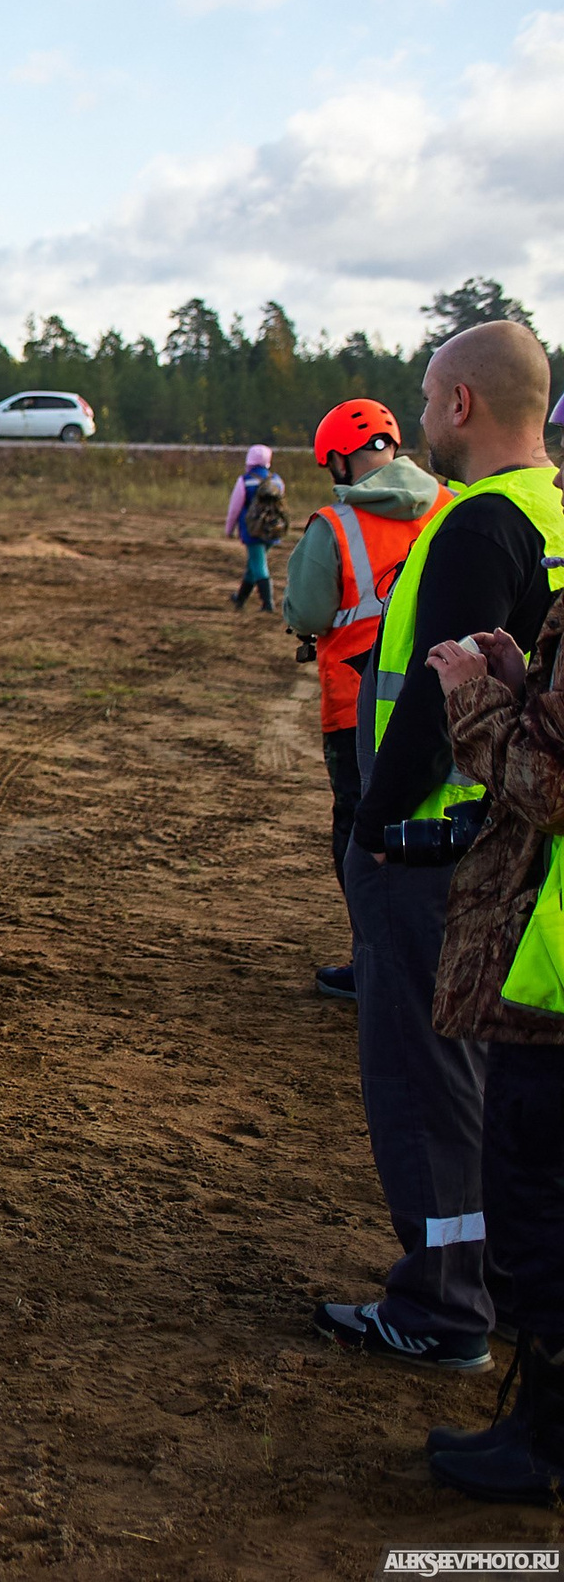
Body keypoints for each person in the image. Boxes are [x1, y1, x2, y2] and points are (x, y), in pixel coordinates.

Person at [317, 321, 564, 1374]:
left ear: (459, 406)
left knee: (424, 1078)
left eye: (425, 397)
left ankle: (440, 1303)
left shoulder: (477, 524)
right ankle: (501, 1286)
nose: (419, 418)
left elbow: (434, 684)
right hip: (517, 842)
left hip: (434, 845)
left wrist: (374, 825)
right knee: (494, 1087)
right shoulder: (553, 509)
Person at [420, 564, 564, 1503]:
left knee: (539, 1210)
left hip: (551, 985)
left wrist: (475, 704)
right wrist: (524, 688)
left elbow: (551, 791)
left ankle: (546, 1445)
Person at [283, 400, 450, 1001]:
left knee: (361, 833)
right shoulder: (454, 507)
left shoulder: (334, 524)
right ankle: (442, 962)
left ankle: (377, 963)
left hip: (358, 707)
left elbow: (307, 612)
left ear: (339, 461)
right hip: (452, 703)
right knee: (445, 827)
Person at [223, 445, 287, 611]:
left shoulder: (244, 481)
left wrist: (229, 529)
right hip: (273, 530)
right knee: (254, 564)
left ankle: (268, 604)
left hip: (252, 530)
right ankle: (240, 599)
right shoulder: (277, 481)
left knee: (258, 565)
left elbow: (234, 509)